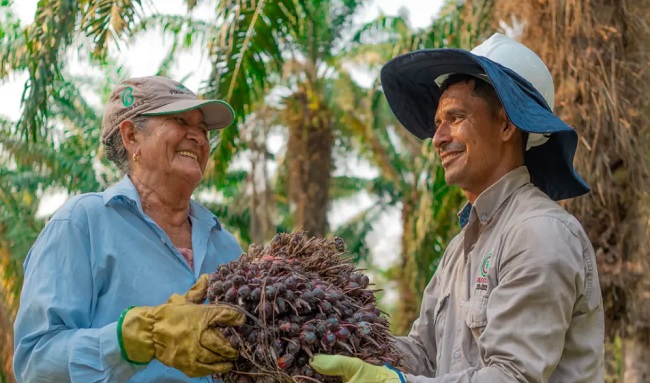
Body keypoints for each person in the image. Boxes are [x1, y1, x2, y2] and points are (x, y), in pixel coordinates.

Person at [310, 33, 605, 382]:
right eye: (438, 123)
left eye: (456, 117)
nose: (438, 138)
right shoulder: (459, 250)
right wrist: (342, 339)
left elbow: (511, 375)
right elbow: (423, 354)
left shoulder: (539, 232)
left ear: (507, 124)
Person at [13, 76, 247, 382]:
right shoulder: (83, 223)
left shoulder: (227, 247)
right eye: (180, 121)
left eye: (203, 130)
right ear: (131, 136)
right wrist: (135, 339)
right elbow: (35, 363)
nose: (199, 139)